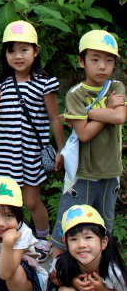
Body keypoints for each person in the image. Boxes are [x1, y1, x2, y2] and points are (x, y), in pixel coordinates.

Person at [0, 20, 64, 261]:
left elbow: (54, 118)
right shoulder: (2, 81)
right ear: (5, 53)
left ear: (36, 51)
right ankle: (17, 238)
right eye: (12, 50)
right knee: (10, 202)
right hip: (6, 153)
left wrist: (61, 149)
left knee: (30, 201)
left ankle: (43, 239)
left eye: (24, 49)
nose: (18, 56)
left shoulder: (44, 82)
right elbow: (0, 112)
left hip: (29, 153)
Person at [50, 30, 126, 257]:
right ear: (81, 61)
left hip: (111, 172)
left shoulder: (117, 87)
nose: (102, 66)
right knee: (70, 223)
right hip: (83, 173)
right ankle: (58, 270)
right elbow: (83, 134)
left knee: (103, 228)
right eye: (95, 59)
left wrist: (89, 113)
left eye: (109, 60)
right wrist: (107, 109)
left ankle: (98, 272)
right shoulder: (76, 94)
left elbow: (120, 117)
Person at [49, 204, 127, 291]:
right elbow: (53, 277)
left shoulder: (112, 270)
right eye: (73, 239)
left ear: (104, 242)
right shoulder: (63, 262)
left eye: (88, 237)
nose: (81, 244)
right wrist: (71, 281)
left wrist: (103, 289)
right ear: (65, 242)